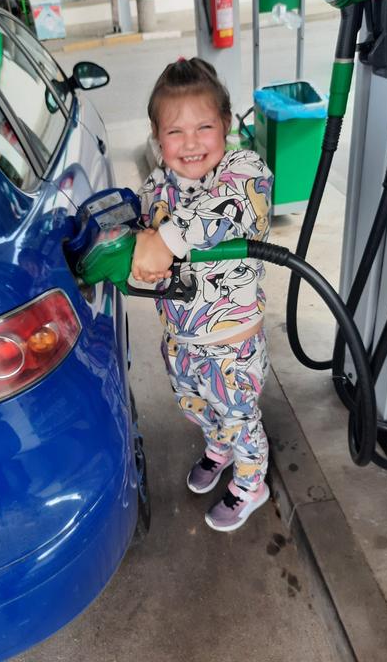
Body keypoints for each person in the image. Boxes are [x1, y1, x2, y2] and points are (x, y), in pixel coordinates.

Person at [133, 57, 273, 532]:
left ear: (227, 124)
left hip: (232, 346)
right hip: (181, 339)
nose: (190, 143)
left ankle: (251, 484)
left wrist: (165, 241)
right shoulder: (157, 185)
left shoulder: (244, 171)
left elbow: (223, 209)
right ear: (157, 137)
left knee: (240, 415)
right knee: (194, 403)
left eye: (204, 127)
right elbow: (142, 231)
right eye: (175, 131)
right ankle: (218, 448)